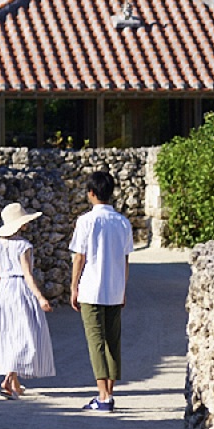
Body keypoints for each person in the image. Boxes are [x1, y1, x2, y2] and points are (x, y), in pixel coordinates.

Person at [69, 169, 134, 414]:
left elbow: (79, 257)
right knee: (113, 342)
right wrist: (124, 288)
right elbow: (125, 259)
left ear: (92, 193)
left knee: (96, 342)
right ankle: (109, 393)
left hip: (91, 290)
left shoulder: (86, 221)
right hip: (115, 289)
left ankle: (103, 396)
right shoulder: (122, 222)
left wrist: (73, 286)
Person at [0, 201, 55, 398]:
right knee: (26, 335)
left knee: (9, 334)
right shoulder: (23, 246)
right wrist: (40, 297)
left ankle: (16, 384)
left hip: (3, 292)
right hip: (19, 289)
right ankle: (8, 380)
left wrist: (1, 291)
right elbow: (27, 274)